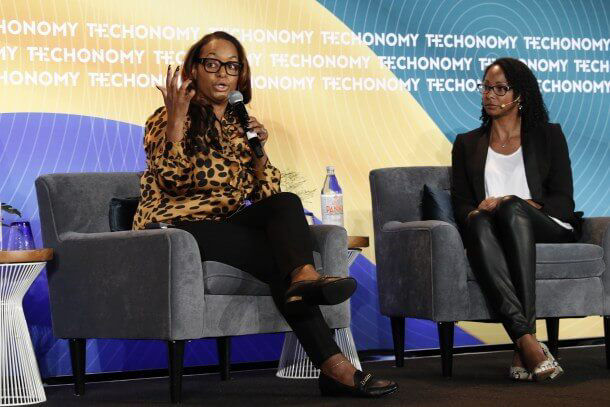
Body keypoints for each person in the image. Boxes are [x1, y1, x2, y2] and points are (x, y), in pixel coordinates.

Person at [132, 31, 397, 397]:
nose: (222, 72)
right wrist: (177, 123)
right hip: (174, 228)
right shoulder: (166, 118)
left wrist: (259, 150)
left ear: (241, 75)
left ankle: (304, 279)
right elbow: (173, 181)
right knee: (279, 261)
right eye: (212, 63)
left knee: (286, 203)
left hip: (222, 226)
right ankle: (337, 367)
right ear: (195, 70)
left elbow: (267, 194)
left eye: (232, 66)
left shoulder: (242, 125)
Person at [451, 57, 582, 381]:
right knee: (477, 221)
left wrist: (518, 202)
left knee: (509, 208)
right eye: (486, 88)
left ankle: (525, 341)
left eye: (500, 89)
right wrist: (479, 209)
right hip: (492, 229)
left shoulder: (548, 136)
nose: (490, 95)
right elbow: (461, 205)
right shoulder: (467, 144)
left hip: (547, 224)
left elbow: (564, 201)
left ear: (520, 95)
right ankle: (526, 342)